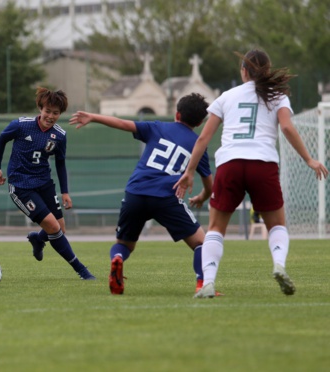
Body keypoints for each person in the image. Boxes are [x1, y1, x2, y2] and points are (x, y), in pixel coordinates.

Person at [174, 49, 329, 298]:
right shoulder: (277, 95)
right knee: (277, 224)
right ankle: (279, 265)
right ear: (267, 71)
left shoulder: (226, 96)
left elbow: (203, 137)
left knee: (215, 228)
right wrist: (309, 159)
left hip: (230, 164)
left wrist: (190, 171)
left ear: (243, 71)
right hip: (263, 163)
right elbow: (287, 127)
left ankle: (209, 283)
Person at [70, 93, 216, 295]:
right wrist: (202, 197)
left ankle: (117, 259)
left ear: (177, 114)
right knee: (201, 243)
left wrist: (94, 117)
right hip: (166, 196)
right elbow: (209, 184)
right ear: (200, 122)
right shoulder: (197, 144)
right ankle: (202, 285)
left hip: (136, 192)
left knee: (124, 245)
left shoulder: (157, 127)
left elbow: (122, 123)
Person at [0, 87, 95, 280]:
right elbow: (1, 139)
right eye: (47, 111)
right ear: (40, 108)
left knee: (60, 229)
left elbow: (61, 162)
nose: (50, 116)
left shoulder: (60, 135)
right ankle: (82, 270)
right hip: (21, 185)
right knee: (54, 228)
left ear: (60, 114)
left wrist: (65, 192)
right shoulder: (21, 125)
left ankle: (37, 239)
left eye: (55, 113)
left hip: (44, 184)